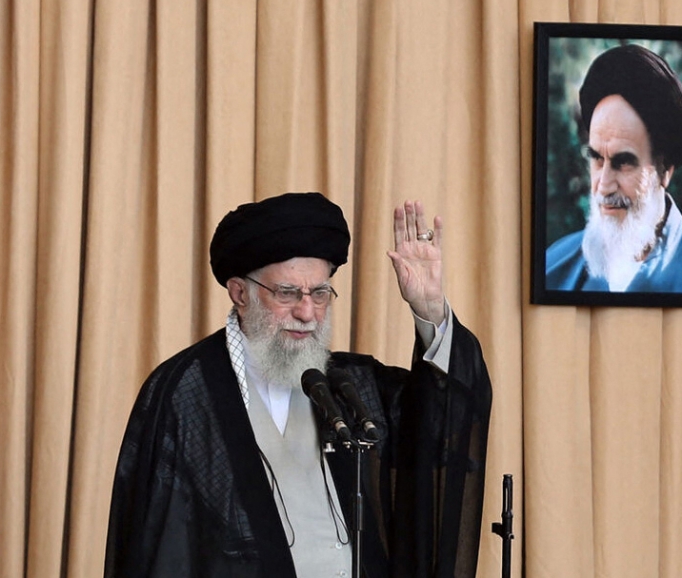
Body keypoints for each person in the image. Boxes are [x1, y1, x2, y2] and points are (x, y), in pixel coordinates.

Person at [104, 192, 492, 578]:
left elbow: (440, 420)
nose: (307, 312)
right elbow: (156, 549)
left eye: (320, 293)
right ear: (241, 293)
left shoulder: (348, 384)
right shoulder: (184, 393)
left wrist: (430, 310)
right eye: (287, 293)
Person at [544, 44, 682, 293]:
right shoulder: (553, 267)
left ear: (665, 169)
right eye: (597, 159)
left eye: (623, 163)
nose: (604, 186)